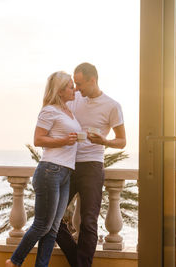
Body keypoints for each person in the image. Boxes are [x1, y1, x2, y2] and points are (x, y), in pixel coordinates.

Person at [6, 71, 81, 267]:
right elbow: (38, 139)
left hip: (65, 173)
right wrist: (64, 140)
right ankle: (14, 262)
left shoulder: (68, 110)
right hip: (50, 171)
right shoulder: (49, 110)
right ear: (60, 90)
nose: (75, 89)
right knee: (42, 224)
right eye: (71, 86)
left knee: (54, 228)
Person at [56, 62, 126, 267]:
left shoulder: (112, 106)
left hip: (92, 167)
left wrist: (104, 142)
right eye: (74, 84)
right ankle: (80, 264)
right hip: (67, 165)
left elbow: (122, 141)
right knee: (52, 218)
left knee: (88, 222)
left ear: (92, 80)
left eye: (79, 84)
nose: (76, 89)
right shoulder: (73, 99)